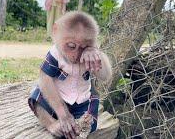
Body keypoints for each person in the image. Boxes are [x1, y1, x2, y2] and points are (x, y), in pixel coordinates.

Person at [28, 11, 113, 139]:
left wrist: (96, 54)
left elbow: (105, 76)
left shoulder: (91, 54)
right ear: (56, 31)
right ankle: (51, 124)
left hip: (81, 101)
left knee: (89, 121)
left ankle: (78, 128)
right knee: (36, 97)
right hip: (56, 101)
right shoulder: (55, 54)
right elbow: (45, 81)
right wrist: (63, 114)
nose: (77, 55)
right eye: (71, 46)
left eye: (84, 47)